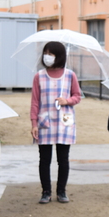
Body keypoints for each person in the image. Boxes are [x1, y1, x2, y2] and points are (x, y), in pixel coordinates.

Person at [30, 41, 82, 204]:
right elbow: (35, 102)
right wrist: (33, 123)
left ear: (59, 56)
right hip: (45, 123)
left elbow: (77, 96)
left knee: (63, 159)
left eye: (51, 54)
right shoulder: (39, 76)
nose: (47, 56)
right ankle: (46, 191)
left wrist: (66, 101)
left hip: (64, 123)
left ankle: (62, 191)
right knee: (44, 160)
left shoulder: (70, 75)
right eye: (46, 53)